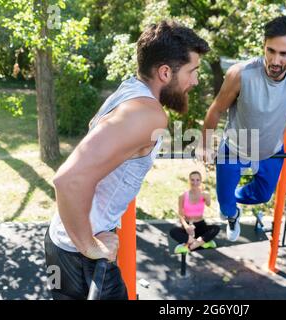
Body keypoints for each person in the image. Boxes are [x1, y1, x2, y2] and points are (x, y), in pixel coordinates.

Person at [44, 21, 209, 300]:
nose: (195, 81)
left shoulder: (129, 91)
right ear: (166, 72)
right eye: (192, 71)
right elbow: (67, 180)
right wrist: (90, 245)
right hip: (81, 256)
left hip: (60, 242)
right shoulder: (148, 114)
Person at [200, 16, 286, 242]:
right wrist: (204, 145)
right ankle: (232, 214)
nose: (275, 60)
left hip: (272, 149)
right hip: (234, 146)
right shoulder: (240, 73)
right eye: (270, 50)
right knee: (225, 205)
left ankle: (234, 199)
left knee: (262, 195)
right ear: (264, 44)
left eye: (284, 54)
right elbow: (216, 110)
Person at [170, 171, 220, 254]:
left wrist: (207, 196)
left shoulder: (204, 194)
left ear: (201, 181)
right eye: (192, 180)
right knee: (173, 231)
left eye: (197, 180)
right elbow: (180, 214)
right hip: (188, 225)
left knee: (216, 228)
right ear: (189, 181)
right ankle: (202, 242)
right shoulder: (182, 196)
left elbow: (208, 204)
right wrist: (186, 227)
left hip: (201, 225)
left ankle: (190, 246)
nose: (195, 182)